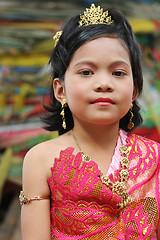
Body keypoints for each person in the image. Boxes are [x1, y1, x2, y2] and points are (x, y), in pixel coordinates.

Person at [20, 3, 160, 239]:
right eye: (86, 72)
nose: (104, 83)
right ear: (60, 89)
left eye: (118, 73)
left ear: (134, 90)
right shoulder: (41, 159)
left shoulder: (155, 157)